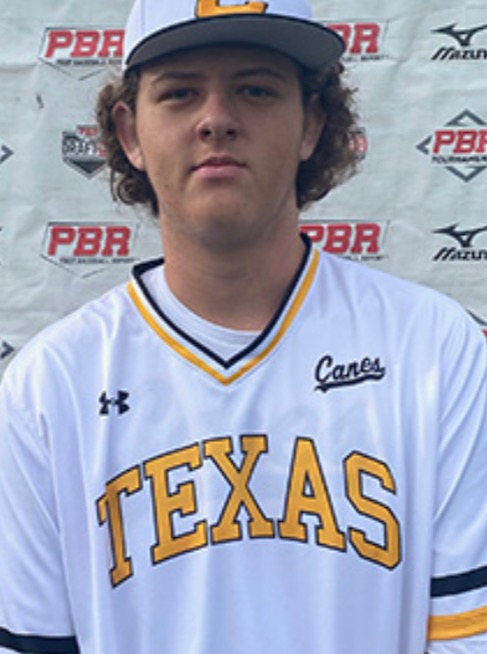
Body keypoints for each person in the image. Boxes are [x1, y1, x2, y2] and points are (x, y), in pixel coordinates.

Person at [0, 0, 486, 652]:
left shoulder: (433, 347)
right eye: (179, 93)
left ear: (313, 124)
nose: (217, 119)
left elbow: (466, 635)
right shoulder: (49, 385)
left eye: (256, 90)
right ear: (129, 133)